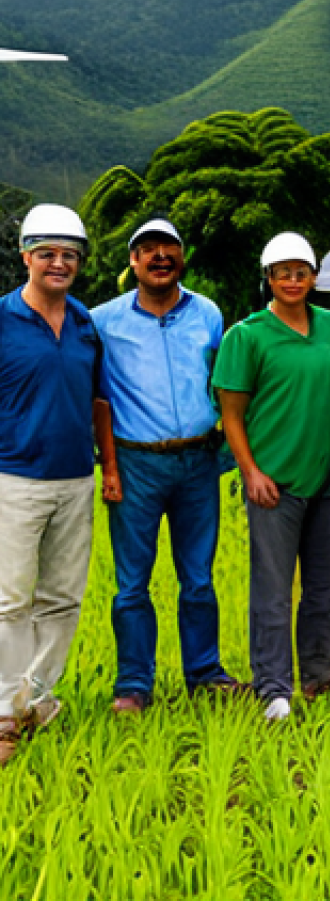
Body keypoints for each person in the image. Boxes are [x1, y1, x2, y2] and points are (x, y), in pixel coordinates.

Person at [91, 215, 242, 713]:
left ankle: (205, 674)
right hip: (135, 463)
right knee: (131, 583)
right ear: (133, 261)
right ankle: (133, 685)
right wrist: (109, 468)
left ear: (182, 256)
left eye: (169, 247)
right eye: (149, 249)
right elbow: (97, 397)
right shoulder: (103, 321)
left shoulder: (208, 313)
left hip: (198, 460)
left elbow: (224, 384)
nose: (160, 256)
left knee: (197, 577)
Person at [212, 232, 330, 722]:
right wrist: (250, 471)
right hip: (273, 479)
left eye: (301, 272)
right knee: (273, 589)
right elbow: (231, 414)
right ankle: (273, 685)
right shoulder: (246, 335)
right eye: (283, 273)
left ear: (314, 277)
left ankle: (321, 673)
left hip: (327, 474)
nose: (293, 281)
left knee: (323, 584)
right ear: (268, 279)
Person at [0, 205, 120, 766]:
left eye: (69, 255)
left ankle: (35, 698)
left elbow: (99, 400)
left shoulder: (84, 323)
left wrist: (108, 468)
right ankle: (4, 714)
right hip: (14, 478)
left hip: (75, 478)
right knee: (9, 600)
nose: (58, 263)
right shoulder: (3, 318)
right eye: (47, 253)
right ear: (26, 256)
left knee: (62, 599)